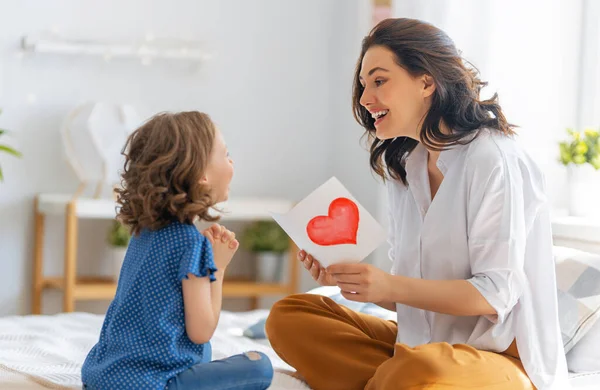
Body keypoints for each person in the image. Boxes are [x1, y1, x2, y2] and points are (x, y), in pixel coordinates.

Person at [266, 18, 568, 390]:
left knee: (415, 371)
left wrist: (390, 286)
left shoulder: (493, 159)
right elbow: (413, 297)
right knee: (291, 316)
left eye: (379, 81)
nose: (364, 99)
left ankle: (394, 380)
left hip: (500, 357)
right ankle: (394, 380)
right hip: (420, 348)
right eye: (363, 85)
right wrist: (359, 284)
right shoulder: (406, 168)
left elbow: (495, 293)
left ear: (426, 82)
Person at [81, 111, 273, 390]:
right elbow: (201, 332)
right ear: (202, 176)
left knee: (208, 358)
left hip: (103, 376)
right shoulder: (189, 242)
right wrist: (217, 269)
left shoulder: (143, 233)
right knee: (259, 365)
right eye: (226, 153)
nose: (231, 161)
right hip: (153, 383)